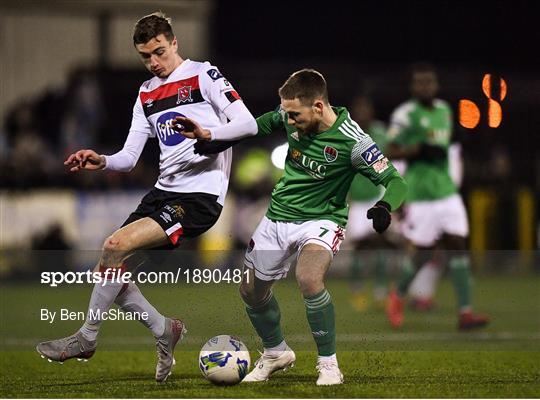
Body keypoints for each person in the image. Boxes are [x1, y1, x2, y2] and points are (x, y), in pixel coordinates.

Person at [36, 12, 257, 382]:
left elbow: (247, 123)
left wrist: (207, 134)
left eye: (159, 52)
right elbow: (129, 157)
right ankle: (163, 329)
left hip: (198, 199)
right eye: (145, 56)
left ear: (174, 43)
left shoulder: (205, 75)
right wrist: (102, 159)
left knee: (114, 244)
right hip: (162, 193)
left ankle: (86, 338)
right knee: (110, 264)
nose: (154, 62)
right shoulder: (146, 92)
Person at [192, 69, 407, 385]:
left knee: (308, 277)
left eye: (294, 116)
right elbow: (263, 123)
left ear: (318, 107)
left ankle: (328, 363)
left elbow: (395, 181)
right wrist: (215, 136)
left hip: (322, 220)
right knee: (251, 291)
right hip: (278, 215)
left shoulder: (355, 142)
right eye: (286, 114)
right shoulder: (289, 112)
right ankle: (276, 352)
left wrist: (385, 205)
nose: (288, 121)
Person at [385, 62, 489, 330]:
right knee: (422, 253)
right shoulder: (405, 114)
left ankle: (465, 313)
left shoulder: (444, 110)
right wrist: (416, 150)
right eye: (419, 82)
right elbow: (390, 149)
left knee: (458, 245)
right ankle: (397, 296)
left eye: (428, 82)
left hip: (447, 192)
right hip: (421, 195)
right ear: (412, 87)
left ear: (436, 85)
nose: (425, 87)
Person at [345, 95, 397, 311]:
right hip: (356, 201)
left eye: (366, 109)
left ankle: (380, 293)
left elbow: (391, 157)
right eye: (359, 109)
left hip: (377, 197)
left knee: (381, 245)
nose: (363, 113)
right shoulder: (347, 134)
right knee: (359, 249)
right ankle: (357, 292)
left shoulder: (381, 133)